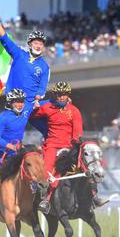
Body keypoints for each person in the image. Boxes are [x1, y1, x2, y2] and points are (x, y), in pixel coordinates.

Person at [31, 82, 106, 213]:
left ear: (68, 96)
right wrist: (34, 106)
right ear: (55, 95)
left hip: (69, 147)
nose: (61, 97)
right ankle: (45, 200)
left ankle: (94, 196)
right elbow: (31, 116)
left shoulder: (74, 111)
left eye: (64, 95)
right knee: (48, 171)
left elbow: (77, 134)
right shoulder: (47, 107)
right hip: (52, 146)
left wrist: (76, 147)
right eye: (59, 95)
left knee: (87, 166)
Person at [0, 88, 30, 225]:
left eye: (22, 101)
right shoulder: (2, 118)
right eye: (17, 101)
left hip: (17, 154)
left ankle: (39, 200)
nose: (20, 104)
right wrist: (9, 146)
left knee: (32, 170)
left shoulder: (25, 112)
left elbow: (38, 102)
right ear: (10, 102)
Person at [0, 11, 50, 121]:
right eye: (36, 43)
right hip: (14, 102)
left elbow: (42, 87)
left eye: (41, 44)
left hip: (31, 105)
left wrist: (37, 100)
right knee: (10, 128)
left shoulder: (45, 66)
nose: (38, 46)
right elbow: (5, 39)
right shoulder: (19, 54)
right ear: (30, 44)